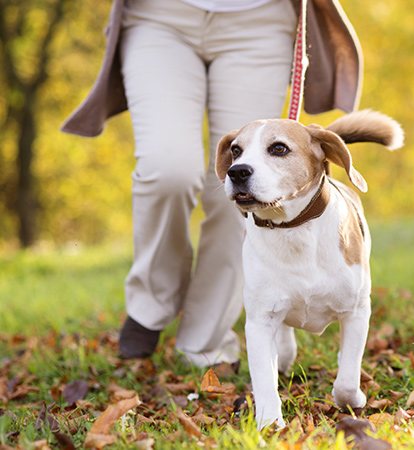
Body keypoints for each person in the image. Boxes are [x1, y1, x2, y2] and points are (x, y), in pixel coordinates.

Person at [61, 0, 362, 367]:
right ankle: (152, 300)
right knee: (166, 170)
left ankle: (204, 341)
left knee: (245, 192)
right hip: (158, 16)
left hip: (259, 22)